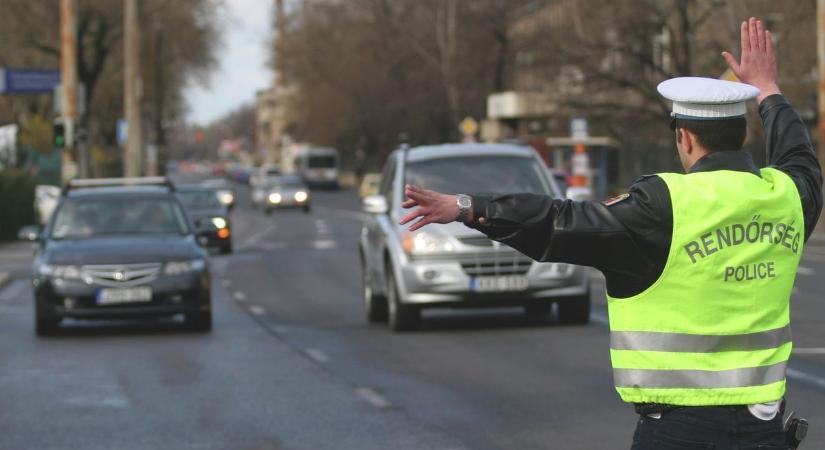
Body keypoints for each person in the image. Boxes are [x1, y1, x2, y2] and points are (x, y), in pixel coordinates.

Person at [399, 17, 822, 449]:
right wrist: (768, 90)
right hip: (765, 430)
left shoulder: (663, 206)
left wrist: (470, 207)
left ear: (685, 138)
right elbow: (801, 160)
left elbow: (558, 222)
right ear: (745, 132)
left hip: (679, 434)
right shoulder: (787, 197)